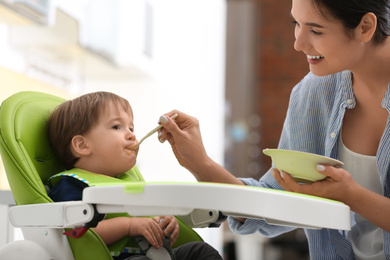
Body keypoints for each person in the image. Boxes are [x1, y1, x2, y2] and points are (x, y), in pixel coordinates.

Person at [157, 0, 390, 259]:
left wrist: (352, 196)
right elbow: (278, 204)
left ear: (365, 27)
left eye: (315, 30)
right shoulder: (312, 94)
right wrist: (200, 164)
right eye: (296, 24)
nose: (298, 43)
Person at [46, 91, 222, 260]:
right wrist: (129, 226)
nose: (131, 134)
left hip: (153, 254)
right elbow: (73, 235)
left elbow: (144, 217)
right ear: (82, 145)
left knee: (201, 251)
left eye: (131, 127)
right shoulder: (71, 184)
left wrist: (162, 222)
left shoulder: (127, 182)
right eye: (117, 127)